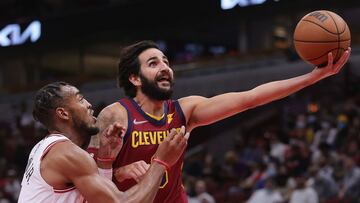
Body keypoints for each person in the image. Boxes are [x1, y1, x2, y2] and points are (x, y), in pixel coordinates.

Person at [90, 40, 351, 202]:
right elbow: (82, 178)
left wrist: (311, 78)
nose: (165, 67)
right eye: (153, 63)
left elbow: (251, 98)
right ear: (135, 78)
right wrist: (118, 171)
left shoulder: (185, 110)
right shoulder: (115, 115)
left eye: (166, 62)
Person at [18, 81, 190, 203]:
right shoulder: (66, 153)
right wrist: (161, 162)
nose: (89, 104)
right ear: (63, 114)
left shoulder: (47, 147)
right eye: (80, 99)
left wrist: (105, 160)